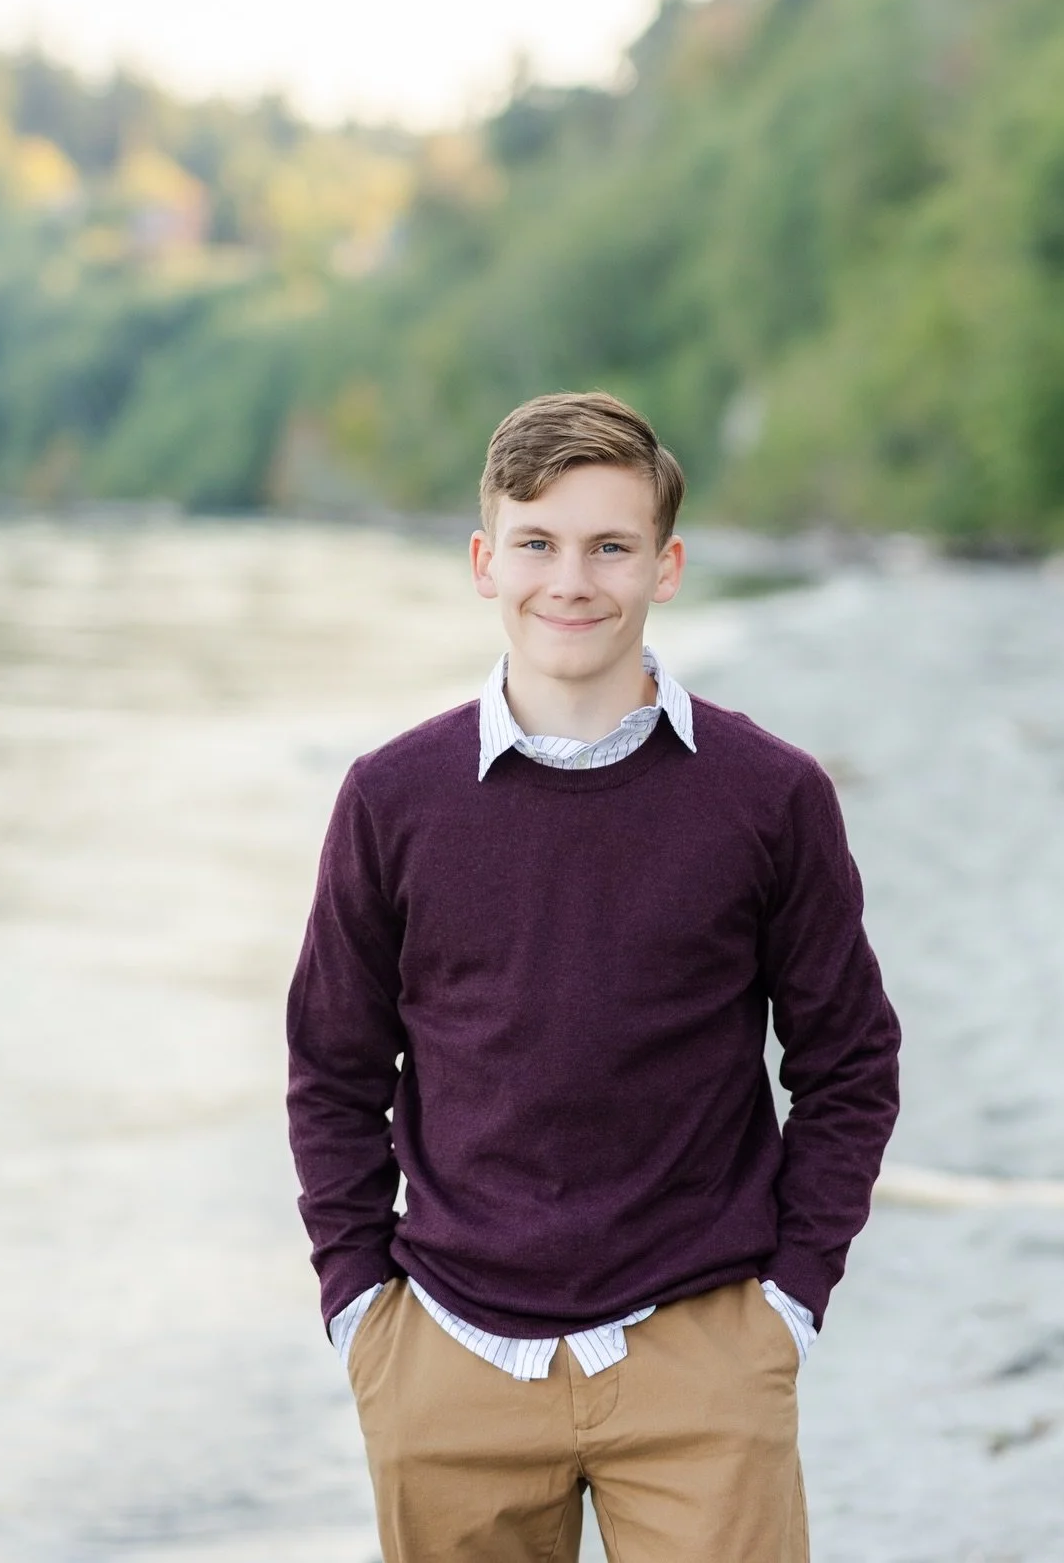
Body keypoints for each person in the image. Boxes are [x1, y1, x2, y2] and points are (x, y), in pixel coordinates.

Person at [286, 390, 901, 1562]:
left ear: (665, 566)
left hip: (704, 1350)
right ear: (484, 561)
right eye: (538, 543)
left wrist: (792, 1298)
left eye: (610, 545)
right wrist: (360, 1304)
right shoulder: (391, 798)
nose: (571, 579)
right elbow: (332, 1065)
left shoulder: (768, 795)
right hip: (449, 1359)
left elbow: (850, 1061)